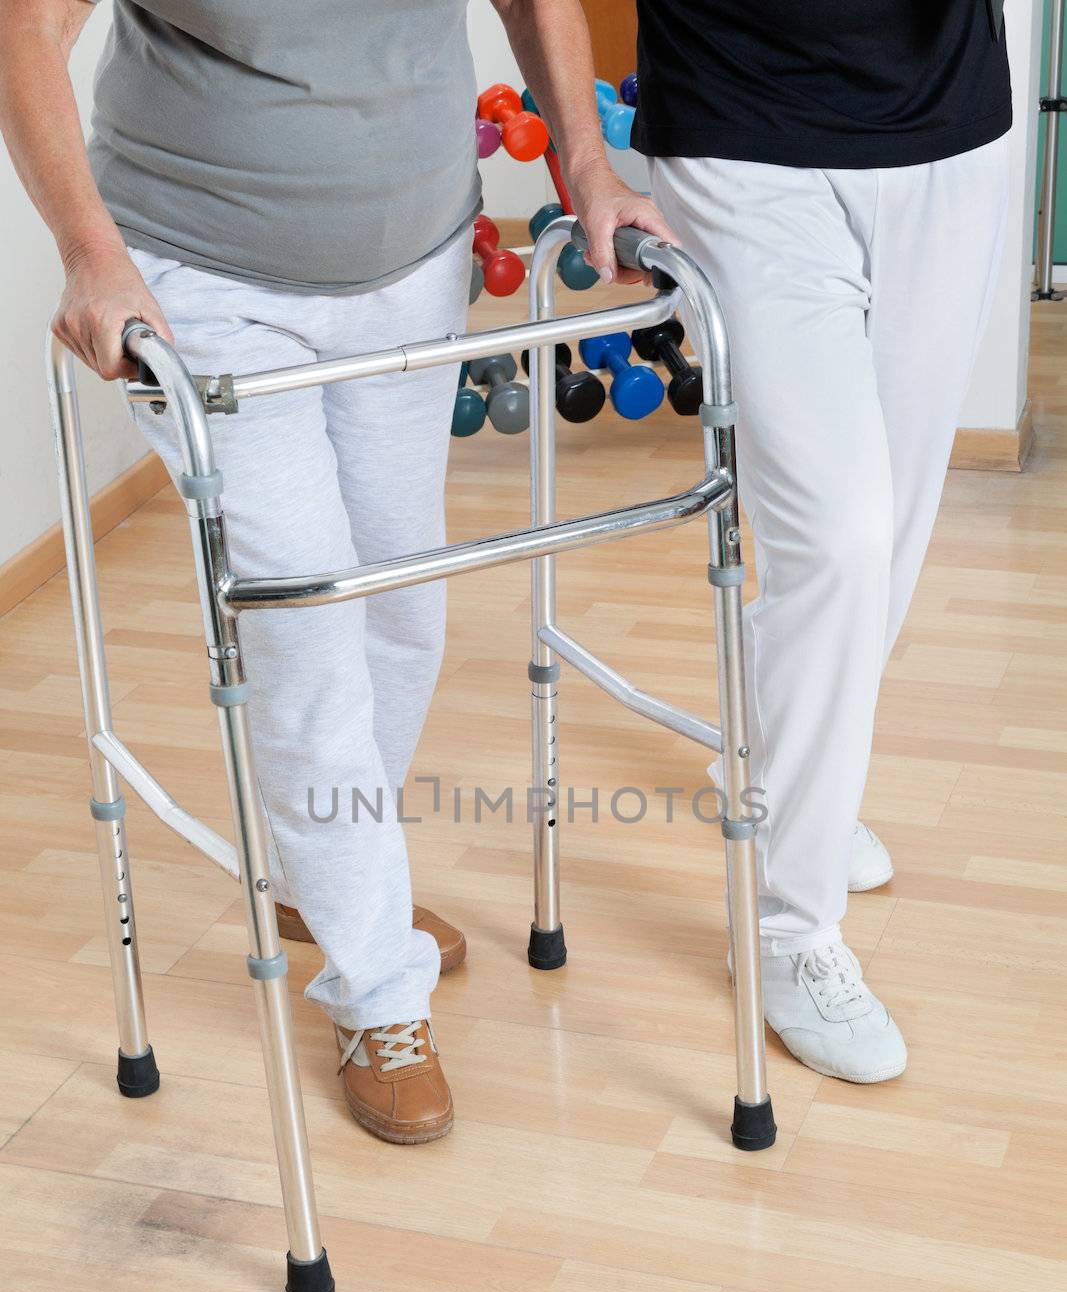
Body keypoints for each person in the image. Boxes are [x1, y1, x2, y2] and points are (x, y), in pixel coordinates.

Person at [0, 0, 669, 1142]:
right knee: (308, 611)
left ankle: (333, 882)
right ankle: (375, 985)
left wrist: (586, 161)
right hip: (202, 274)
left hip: (408, 258)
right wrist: (90, 253)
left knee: (402, 605)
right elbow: (27, 25)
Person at [602, 0, 1009, 1084]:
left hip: (947, 132)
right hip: (743, 130)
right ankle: (791, 930)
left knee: (894, 522)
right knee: (836, 533)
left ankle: (784, 780)